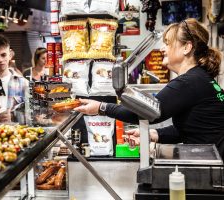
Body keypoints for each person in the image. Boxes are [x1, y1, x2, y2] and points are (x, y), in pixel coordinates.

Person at [74, 18, 224, 158]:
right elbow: (191, 129)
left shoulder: (189, 82)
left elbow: (148, 113)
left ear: (187, 47)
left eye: (167, 43)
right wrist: (153, 134)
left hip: (215, 168)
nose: (162, 48)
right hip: (212, 159)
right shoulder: (199, 78)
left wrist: (102, 107)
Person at [0, 34, 29, 123]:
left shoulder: (23, 83)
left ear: (10, 55)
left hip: (15, 134)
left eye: (3, 55)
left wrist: (14, 117)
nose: (0, 60)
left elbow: (32, 115)